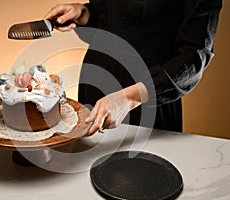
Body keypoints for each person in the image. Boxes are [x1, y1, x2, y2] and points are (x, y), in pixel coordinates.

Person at [44, 0, 222, 135]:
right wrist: (84, 14)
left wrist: (129, 99)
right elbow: (110, 20)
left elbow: (194, 55)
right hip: (95, 83)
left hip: (149, 98)